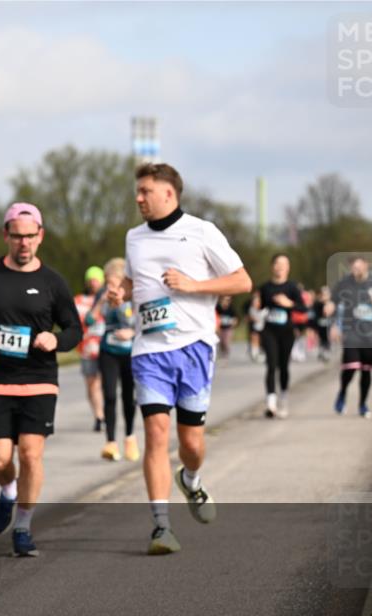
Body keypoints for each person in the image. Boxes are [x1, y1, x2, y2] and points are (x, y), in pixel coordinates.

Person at [111, 163, 251, 555]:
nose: (138, 198)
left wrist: (194, 285)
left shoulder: (202, 231)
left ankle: (191, 479)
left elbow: (242, 280)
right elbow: (136, 280)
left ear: (168, 194)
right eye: (137, 191)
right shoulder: (134, 238)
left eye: (145, 191)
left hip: (194, 348)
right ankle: (160, 527)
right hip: (149, 350)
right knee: (155, 434)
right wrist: (119, 290)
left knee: (191, 442)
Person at [0, 202, 82, 557]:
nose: (24, 243)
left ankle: (24, 526)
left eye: (31, 236)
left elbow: (75, 328)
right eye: (17, 237)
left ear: (40, 236)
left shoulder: (52, 281)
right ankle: (9, 491)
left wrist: (56, 340)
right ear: (6, 236)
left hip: (39, 380)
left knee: (31, 454)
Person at [86, 258, 138, 462]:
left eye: (114, 282)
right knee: (109, 395)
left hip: (130, 351)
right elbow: (89, 321)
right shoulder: (103, 295)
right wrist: (101, 301)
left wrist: (132, 333)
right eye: (107, 282)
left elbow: (144, 323)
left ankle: (130, 439)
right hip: (108, 350)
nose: (110, 286)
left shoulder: (134, 295)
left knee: (128, 397)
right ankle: (110, 443)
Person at [332, 257, 372, 419]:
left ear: (366, 266)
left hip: (371, 335)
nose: (355, 270)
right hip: (351, 333)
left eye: (359, 267)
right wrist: (334, 325)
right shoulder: (344, 284)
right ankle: (342, 393)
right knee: (350, 367)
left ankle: (363, 404)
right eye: (353, 267)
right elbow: (334, 304)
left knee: (366, 370)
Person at [257, 254, 304, 419]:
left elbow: (303, 308)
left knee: (283, 366)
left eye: (284, 264)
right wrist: (256, 309)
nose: (280, 267)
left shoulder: (292, 288)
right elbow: (256, 308)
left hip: (286, 332)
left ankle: (283, 397)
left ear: (288, 268)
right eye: (277, 263)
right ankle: (271, 403)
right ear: (272, 266)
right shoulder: (265, 288)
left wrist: (288, 303)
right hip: (269, 331)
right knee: (271, 365)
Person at [74, 267, 106, 431]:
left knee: (104, 383)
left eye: (97, 279)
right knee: (92, 384)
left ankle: (104, 412)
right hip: (87, 349)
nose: (93, 283)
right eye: (91, 279)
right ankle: (98, 416)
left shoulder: (108, 299)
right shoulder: (78, 301)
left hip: (106, 348)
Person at [313, 286, 335, 362]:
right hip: (320, 324)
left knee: (328, 339)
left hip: (328, 324)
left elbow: (333, 315)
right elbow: (315, 316)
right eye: (323, 294)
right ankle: (322, 352)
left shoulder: (331, 303)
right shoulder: (317, 304)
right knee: (322, 339)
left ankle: (326, 352)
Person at [246, 290, 267, 362]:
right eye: (254, 302)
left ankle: (262, 353)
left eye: (257, 302)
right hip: (254, 327)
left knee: (263, 341)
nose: (255, 303)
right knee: (255, 339)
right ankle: (254, 353)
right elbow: (249, 317)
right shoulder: (251, 309)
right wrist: (252, 319)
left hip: (264, 328)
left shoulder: (265, 309)